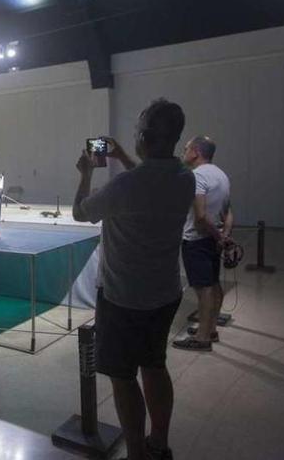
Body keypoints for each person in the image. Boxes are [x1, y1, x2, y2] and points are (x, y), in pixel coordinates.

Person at [73, 99, 195, 460]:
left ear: (143, 135)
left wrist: (86, 173)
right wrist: (125, 155)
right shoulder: (184, 177)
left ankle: (137, 454)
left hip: (122, 297)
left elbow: (81, 212)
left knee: (123, 377)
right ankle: (159, 443)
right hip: (165, 293)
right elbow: (148, 178)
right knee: (154, 366)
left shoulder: (125, 186)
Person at [173, 136, 233, 352]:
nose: (183, 151)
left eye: (186, 148)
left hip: (197, 240)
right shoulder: (221, 175)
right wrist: (223, 235)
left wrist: (219, 236)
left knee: (203, 289)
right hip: (212, 240)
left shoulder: (196, 177)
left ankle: (202, 337)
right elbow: (228, 213)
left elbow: (199, 217)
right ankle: (210, 328)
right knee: (213, 284)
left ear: (196, 151)